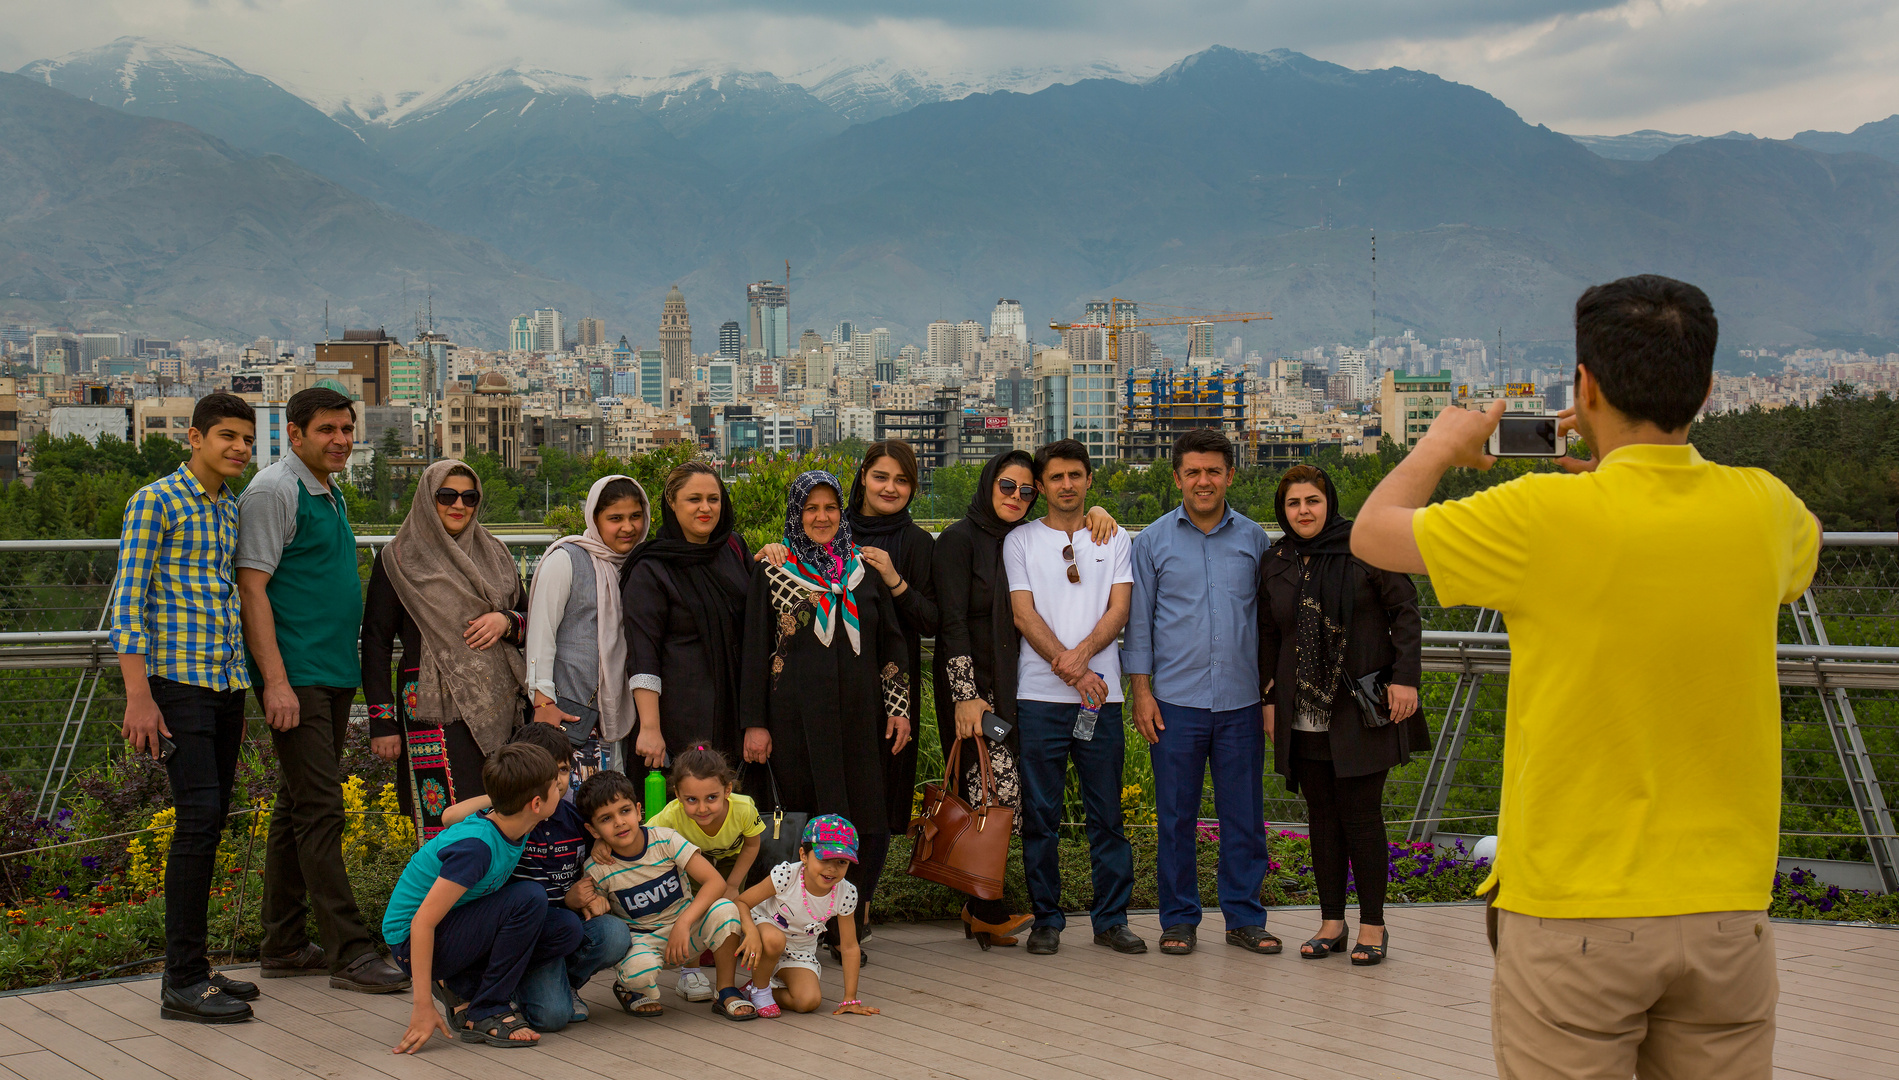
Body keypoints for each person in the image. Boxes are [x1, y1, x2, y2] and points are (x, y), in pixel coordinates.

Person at [1351, 275, 1819, 1079]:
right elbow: (1786, 567)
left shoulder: (1539, 516)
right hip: (1726, 912)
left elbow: (1372, 533)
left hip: (1574, 911)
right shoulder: (1767, 508)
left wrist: (1440, 445)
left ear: (1585, 386)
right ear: (1707, 389)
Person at [236, 386, 408, 993]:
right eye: (328, 430)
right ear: (294, 432)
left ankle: (282, 941)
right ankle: (352, 952)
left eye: (346, 428)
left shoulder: (327, 491)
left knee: (295, 805)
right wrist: (276, 682)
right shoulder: (274, 491)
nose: (341, 440)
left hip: (332, 673)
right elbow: (252, 589)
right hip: (298, 676)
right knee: (321, 808)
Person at [111, 393, 261, 1023]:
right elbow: (127, 601)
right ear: (194, 438)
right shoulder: (157, 500)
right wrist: (138, 696)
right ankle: (181, 981)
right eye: (227, 436)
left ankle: (193, 967)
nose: (239, 449)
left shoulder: (228, 507)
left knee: (214, 817)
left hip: (225, 684)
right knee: (197, 819)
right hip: (174, 684)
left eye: (248, 440)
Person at [932, 449, 1121, 949]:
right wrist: (966, 696)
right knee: (1005, 800)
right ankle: (1005, 912)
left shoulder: (1028, 538)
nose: (1016, 496)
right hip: (985, 695)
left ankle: (991, 910)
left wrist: (1097, 515)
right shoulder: (966, 540)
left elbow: (1111, 602)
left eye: (1024, 490)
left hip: (1021, 695)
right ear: (988, 486)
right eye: (1007, 487)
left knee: (1017, 800)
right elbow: (956, 622)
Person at [740, 471, 911, 960]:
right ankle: (799, 926)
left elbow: (891, 645)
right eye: (810, 508)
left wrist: (898, 709)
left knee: (868, 824)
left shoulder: (864, 572)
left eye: (830, 508)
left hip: (861, 719)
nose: (821, 517)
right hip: (795, 723)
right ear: (797, 514)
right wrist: (755, 721)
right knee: (804, 823)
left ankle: (848, 922)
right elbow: (754, 650)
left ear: (842, 514)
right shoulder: (772, 570)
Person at [1258, 464, 1424, 965]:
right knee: (1322, 819)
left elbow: (1406, 612)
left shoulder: (1366, 546)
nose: (1303, 511)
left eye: (1312, 501)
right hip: (1301, 712)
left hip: (1359, 708)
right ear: (1281, 510)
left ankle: (1373, 927)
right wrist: (1268, 700)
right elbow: (1267, 633)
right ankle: (1332, 922)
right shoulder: (1278, 560)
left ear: (1329, 502)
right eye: (1293, 503)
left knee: (1362, 818)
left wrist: (1407, 678)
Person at [1125, 429, 1277, 958]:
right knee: (1175, 819)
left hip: (1241, 703)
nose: (1204, 480)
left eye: (1214, 471)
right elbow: (1138, 625)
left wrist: (1271, 694)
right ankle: (1179, 920)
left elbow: (1270, 622)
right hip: (1174, 705)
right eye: (1193, 472)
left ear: (1230, 475)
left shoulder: (1255, 540)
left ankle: (1244, 918)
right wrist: (1141, 693)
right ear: (1177, 478)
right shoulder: (1152, 542)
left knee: (1244, 817)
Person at [1005, 440, 1142, 957]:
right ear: (1041, 485)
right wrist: (1072, 670)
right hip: (1039, 700)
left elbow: (1120, 608)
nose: (1066, 485)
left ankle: (1112, 919)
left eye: (1075, 476)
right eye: (1056, 477)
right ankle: (1047, 919)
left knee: (1107, 814)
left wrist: (1080, 660)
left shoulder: (1115, 538)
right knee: (1041, 815)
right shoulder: (1019, 541)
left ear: (1089, 481)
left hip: (1100, 701)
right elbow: (1023, 613)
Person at [362, 460, 530, 841]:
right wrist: (382, 722)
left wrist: (505, 621)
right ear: (427, 498)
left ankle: (496, 897)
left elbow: (529, 614)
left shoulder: (496, 553)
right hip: (432, 707)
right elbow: (375, 641)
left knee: (501, 811)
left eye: (469, 497)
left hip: (501, 705)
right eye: (446, 496)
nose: (459, 505)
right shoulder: (398, 559)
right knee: (444, 819)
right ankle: (443, 899)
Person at [436, 723, 630, 1033]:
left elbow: (608, 832)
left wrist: (600, 849)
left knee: (614, 933)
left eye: (563, 770)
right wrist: (510, 791)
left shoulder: (575, 820)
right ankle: (505, 986)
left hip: (559, 931)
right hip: (517, 933)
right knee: (551, 1018)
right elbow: (449, 818)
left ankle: (562, 984)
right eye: (547, 774)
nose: (557, 781)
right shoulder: (512, 819)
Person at [386, 742, 577, 1053]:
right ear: (537, 803)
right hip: (411, 941)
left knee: (565, 928)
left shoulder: (513, 816)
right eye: (557, 786)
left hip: (454, 927)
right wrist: (421, 1006)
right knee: (529, 897)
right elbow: (421, 922)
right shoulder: (477, 848)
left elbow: (449, 815)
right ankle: (486, 1009)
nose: (563, 790)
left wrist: (508, 790)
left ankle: (465, 988)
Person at [576, 770, 762, 1021]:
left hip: (686, 932)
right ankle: (628, 988)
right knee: (639, 973)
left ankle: (725, 990)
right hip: (644, 941)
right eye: (606, 818)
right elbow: (592, 907)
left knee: (725, 909)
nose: (619, 822)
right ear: (593, 830)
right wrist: (594, 902)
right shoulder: (597, 868)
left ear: (639, 810)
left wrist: (684, 922)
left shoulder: (665, 839)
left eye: (625, 811)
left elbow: (714, 881)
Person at [841, 442, 938, 884]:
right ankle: (826, 903)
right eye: (881, 476)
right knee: (835, 791)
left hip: (893, 689)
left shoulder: (915, 542)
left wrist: (894, 579)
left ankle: (860, 903)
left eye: (902, 480)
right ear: (863, 477)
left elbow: (930, 619)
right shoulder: (829, 529)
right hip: (835, 682)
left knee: (878, 797)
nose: (890, 488)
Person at [622, 462, 751, 767]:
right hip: (679, 717)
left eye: (713, 499)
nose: (705, 508)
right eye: (694, 499)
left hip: (734, 711)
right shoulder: (651, 567)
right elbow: (643, 654)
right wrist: (650, 728)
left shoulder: (733, 549)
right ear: (672, 503)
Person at [526, 474, 649, 785]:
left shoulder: (640, 564)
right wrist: (543, 703)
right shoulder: (566, 560)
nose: (628, 527)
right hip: (569, 712)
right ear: (595, 519)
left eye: (636, 517)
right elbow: (541, 634)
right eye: (615, 518)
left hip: (618, 714)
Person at [647, 746, 764, 1003]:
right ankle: (689, 972)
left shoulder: (744, 809)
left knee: (732, 910)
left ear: (728, 791)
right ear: (677, 795)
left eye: (712, 798)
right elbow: (642, 837)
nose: (702, 808)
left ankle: (730, 982)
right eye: (691, 800)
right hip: (693, 863)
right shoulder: (671, 815)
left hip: (731, 861)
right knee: (693, 909)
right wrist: (603, 844)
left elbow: (753, 845)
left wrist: (733, 884)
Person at [735, 815, 879, 1018]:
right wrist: (749, 931)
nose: (832, 869)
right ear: (804, 855)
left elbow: (849, 946)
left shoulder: (845, 893)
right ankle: (760, 990)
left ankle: (754, 991)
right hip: (763, 934)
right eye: (824, 859)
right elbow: (742, 902)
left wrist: (850, 998)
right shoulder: (787, 875)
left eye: (841, 862)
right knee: (775, 939)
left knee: (808, 1001)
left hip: (800, 950)